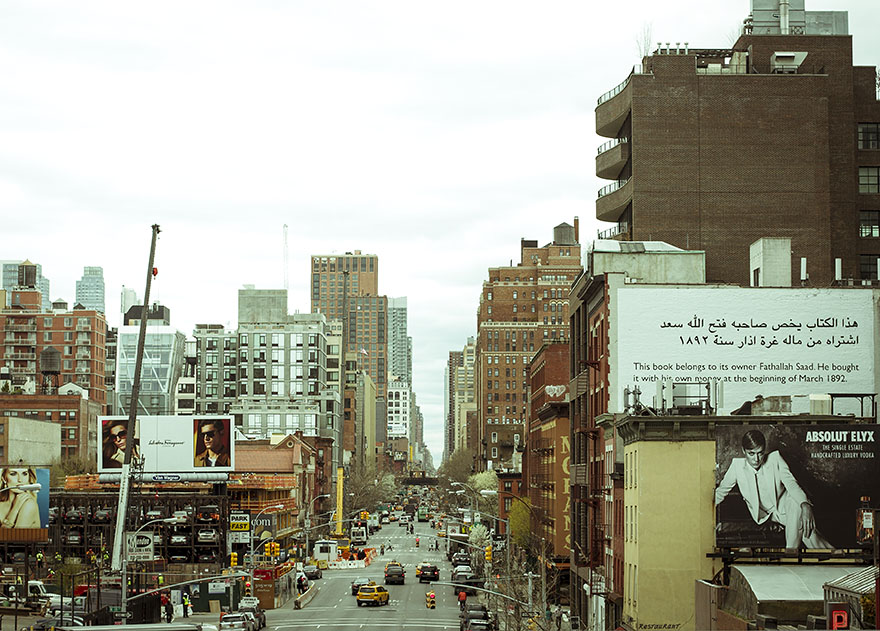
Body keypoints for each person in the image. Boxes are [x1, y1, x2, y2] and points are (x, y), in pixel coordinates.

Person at [715, 429, 833, 550]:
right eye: (751, 453)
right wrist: (704, 510)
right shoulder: (737, 466)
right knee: (808, 531)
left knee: (797, 507)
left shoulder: (775, 459)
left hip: (785, 508)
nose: (756, 459)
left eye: (760, 453)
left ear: (764, 450)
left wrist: (805, 504)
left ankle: (790, 553)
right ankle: (833, 554)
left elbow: (791, 483)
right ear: (743, 451)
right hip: (765, 514)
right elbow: (721, 492)